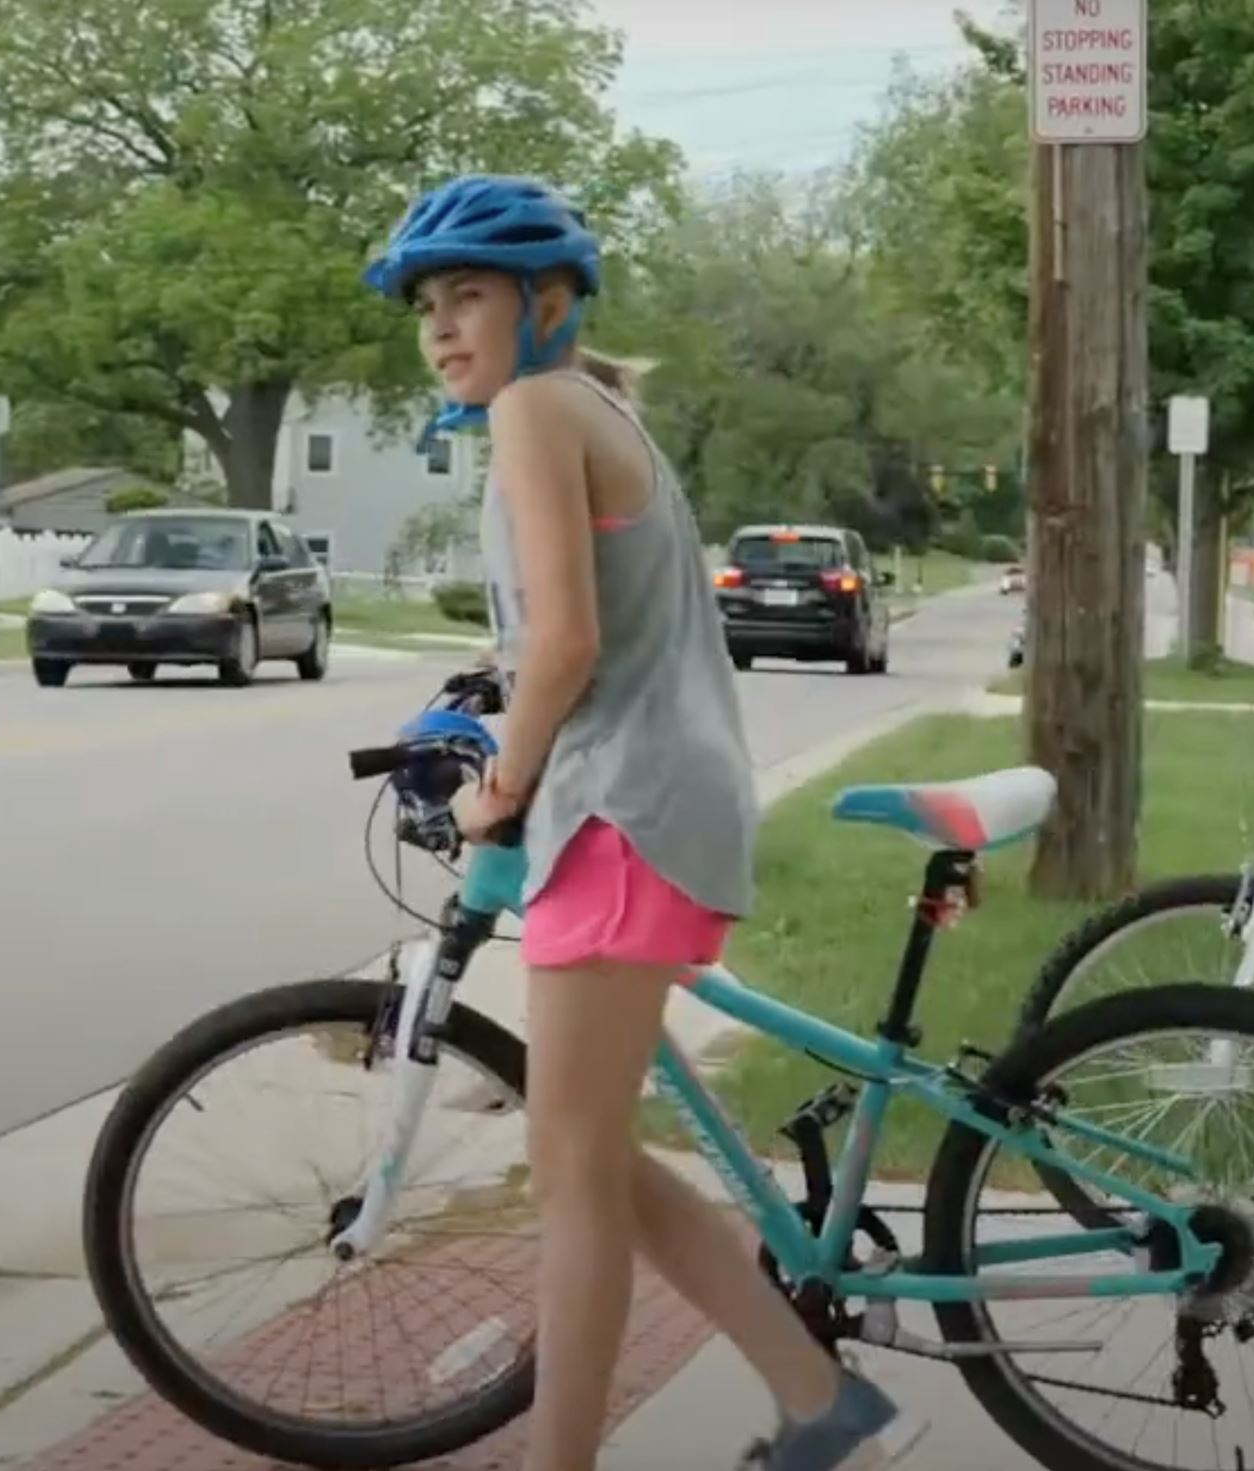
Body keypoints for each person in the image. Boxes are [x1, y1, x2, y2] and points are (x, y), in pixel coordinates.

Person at [362, 174, 917, 1471]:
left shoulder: (538, 408)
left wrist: (498, 781)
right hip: (638, 800)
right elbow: (571, 637)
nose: (443, 326)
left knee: (570, 1175)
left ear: (548, 303)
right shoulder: (583, 406)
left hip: (620, 811)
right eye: (428, 305)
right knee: (594, 1156)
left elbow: (567, 640)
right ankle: (819, 1400)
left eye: (470, 297)